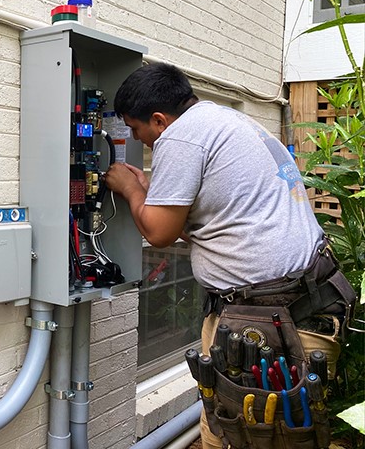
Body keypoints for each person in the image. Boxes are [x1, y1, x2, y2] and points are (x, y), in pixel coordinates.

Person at [103, 62, 355, 448]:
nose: (142, 141)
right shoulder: (226, 120)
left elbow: (159, 232)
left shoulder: (181, 138)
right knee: (288, 435)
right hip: (308, 303)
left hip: (269, 319)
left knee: (243, 436)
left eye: (137, 130)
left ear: (159, 119)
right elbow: (223, 214)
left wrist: (132, 190)